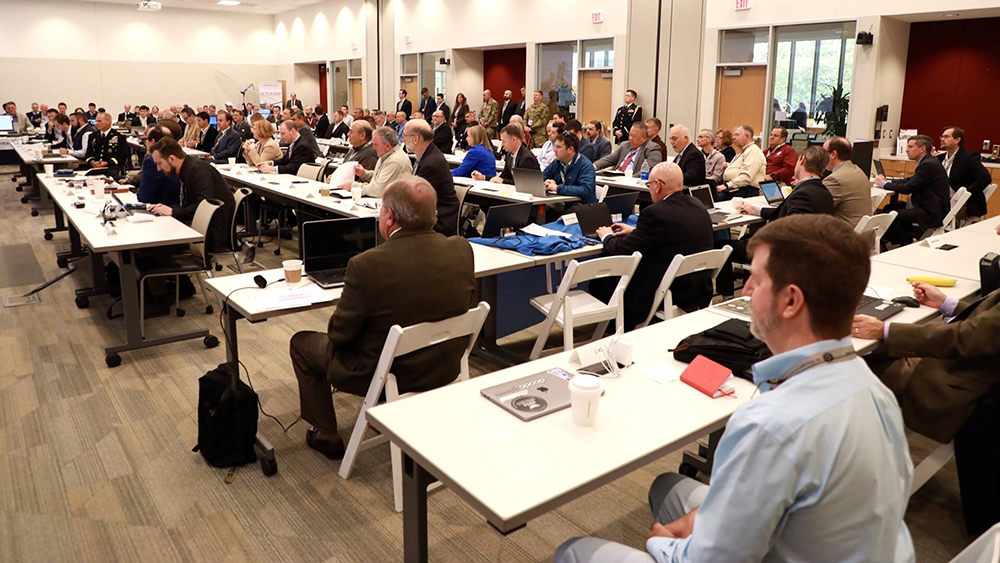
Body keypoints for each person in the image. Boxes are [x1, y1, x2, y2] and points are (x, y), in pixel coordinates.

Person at [556, 213, 915, 563]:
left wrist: (661, 544)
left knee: (574, 550)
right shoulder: (876, 391)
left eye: (756, 282)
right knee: (668, 486)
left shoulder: (768, 424)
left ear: (791, 302)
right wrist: (713, 517)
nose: (745, 290)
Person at [288, 176, 475, 460]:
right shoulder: (462, 249)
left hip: (387, 371)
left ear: (389, 217)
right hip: (444, 364)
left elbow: (340, 336)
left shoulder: (367, 265)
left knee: (301, 343)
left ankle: (327, 433)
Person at [854, 280, 1000, 536]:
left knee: (858, 364)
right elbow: (989, 329)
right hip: (970, 370)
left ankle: (851, 479)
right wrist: (947, 304)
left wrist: (884, 330)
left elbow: (971, 337)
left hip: (958, 384)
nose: (997, 236)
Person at [590, 162, 714, 331]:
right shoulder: (698, 205)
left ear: (657, 186)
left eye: (648, 184)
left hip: (669, 288)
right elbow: (673, 232)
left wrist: (607, 236)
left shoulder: (655, 212)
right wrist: (636, 231)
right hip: (698, 286)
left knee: (601, 282)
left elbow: (621, 249)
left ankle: (612, 331)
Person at [147, 138, 235, 253]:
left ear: (172, 159)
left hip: (212, 233)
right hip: (204, 227)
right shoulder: (188, 168)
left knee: (150, 246)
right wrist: (166, 209)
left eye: (159, 163)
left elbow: (203, 207)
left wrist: (173, 212)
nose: (158, 169)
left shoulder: (198, 171)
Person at [875, 135, 951, 246]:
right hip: (930, 207)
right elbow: (910, 181)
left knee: (892, 215)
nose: (906, 150)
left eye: (910, 147)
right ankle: (900, 240)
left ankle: (905, 244)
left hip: (931, 212)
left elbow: (907, 188)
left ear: (922, 149)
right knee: (889, 208)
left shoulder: (928, 165)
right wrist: (889, 181)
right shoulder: (928, 161)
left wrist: (883, 184)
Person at [404, 119, 461, 236]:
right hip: (432, 213)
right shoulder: (427, 155)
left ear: (416, 139)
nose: (403, 139)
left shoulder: (431, 163)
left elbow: (417, 197)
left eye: (405, 135)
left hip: (439, 220)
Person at [938, 126, 992, 220]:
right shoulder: (940, 158)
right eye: (941, 137)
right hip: (942, 201)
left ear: (957, 140)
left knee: (924, 212)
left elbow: (984, 178)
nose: (942, 139)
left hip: (962, 205)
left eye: (946, 137)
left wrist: (965, 195)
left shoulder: (969, 157)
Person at [343, 126, 411, 197]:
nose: (374, 148)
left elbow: (378, 191)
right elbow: (380, 177)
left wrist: (353, 185)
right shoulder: (386, 154)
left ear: (387, 145)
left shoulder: (395, 161)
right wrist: (364, 173)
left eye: (376, 144)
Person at [822, 137, 872, 228]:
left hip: (845, 235)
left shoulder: (835, 179)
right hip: (862, 232)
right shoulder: (858, 171)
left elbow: (816, 207)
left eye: (823, 152)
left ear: (833, 154)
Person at [473, 123, 539, 185]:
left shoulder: (527, 158)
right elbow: (503, 177)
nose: (502, 144)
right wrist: (484, 177)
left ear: (513, 139)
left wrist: (503, 181)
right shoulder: (509, 155)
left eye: (504, 141)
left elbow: (523, 184)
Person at [542, 130, 596, 204]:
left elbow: (585, 190)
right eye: (555, 146)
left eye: (558, 147)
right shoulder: (557, 162)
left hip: (581, 208)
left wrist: (558, 188)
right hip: (560, 204)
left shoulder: (585, 165)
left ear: (570, 149)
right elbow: (542, 177)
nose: (554, 150)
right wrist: (545, 183)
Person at [593, 122, 663, 174]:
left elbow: (649, 169)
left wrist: (630, 178)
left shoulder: (652, 148)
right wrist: (593, 166)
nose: (630, 139)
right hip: (616, 178)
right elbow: (610, 159)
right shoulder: (625, 145)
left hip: (633, 183)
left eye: (634, 136)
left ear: (644, 137)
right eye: (630, 135)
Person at [135, 127, 181, 206]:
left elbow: (144, 197)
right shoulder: (179, 156)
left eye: (146, 139)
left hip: (163, 208)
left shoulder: (152, 161)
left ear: (152, 141)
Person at [718, 125, 765, 199]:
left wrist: (726, 186)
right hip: (736, 188)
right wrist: (730, 167)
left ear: (747, 136)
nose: (733, 138)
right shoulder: (743, 151)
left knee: (713, 199)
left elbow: (746, 177)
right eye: (733, 135)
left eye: (737, 134)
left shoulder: (753, 152)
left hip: (745, 191)